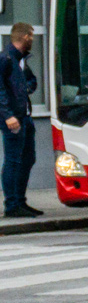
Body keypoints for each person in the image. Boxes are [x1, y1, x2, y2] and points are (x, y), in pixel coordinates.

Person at [0, 22, 40, 218]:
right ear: (25, 37)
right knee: (13, 160)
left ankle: (20, 201)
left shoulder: (20, 60)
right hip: (14, 120)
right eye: (31, 36)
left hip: (25, 117)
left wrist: (27, 88)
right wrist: (8, 116)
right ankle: (12, 204)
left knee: (28, 158)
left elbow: (31, 80)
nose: (33, 39)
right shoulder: (6, 59)